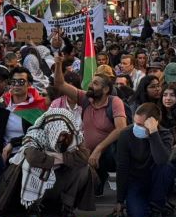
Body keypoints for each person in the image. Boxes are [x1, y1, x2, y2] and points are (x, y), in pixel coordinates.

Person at [0, 108, 95, 217]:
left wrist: (61, 157)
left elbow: (84, 157)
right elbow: (33, 157)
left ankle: (67, 206)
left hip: (61, 179)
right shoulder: (34, 135)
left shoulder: (73, 135)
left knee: (83, 168)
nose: (61, 138)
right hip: (40, 178)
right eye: (58, 134)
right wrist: (57, 159)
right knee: (30, 164)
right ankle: (33, 206)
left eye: (64, 134)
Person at [51, 56, 125, 195]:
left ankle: (121, 197)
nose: (90, 85)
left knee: (112, 157)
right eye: (92, 82)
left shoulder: (115, 102)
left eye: (95, 84)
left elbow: (121, 128)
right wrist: (58, 63)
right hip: (87, 153)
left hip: (109, 153)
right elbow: (60, 84)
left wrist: (98, 149)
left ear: (105, 90)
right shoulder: (85, 99)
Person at [112, 103, 173, 217]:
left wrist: (153, 133)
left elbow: (161, 160)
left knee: (166, 167)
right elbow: (122, 167)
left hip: (155, 180)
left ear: (153, 123)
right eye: (135, 122)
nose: (136, 127)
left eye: (140, 124)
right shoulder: (126, 134)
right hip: (136, 181)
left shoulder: (165, 135)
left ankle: (156, 209)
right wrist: (120, 200)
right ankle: (152, 204)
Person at [0, 66, 48, 162]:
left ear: (29, 84)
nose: (16, 85)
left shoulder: (38, 107)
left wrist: (13, 143)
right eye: (13, 82)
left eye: (21, 82)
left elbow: (39, 134)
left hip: (28, 155)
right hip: (2, 155)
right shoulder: (1, 105)